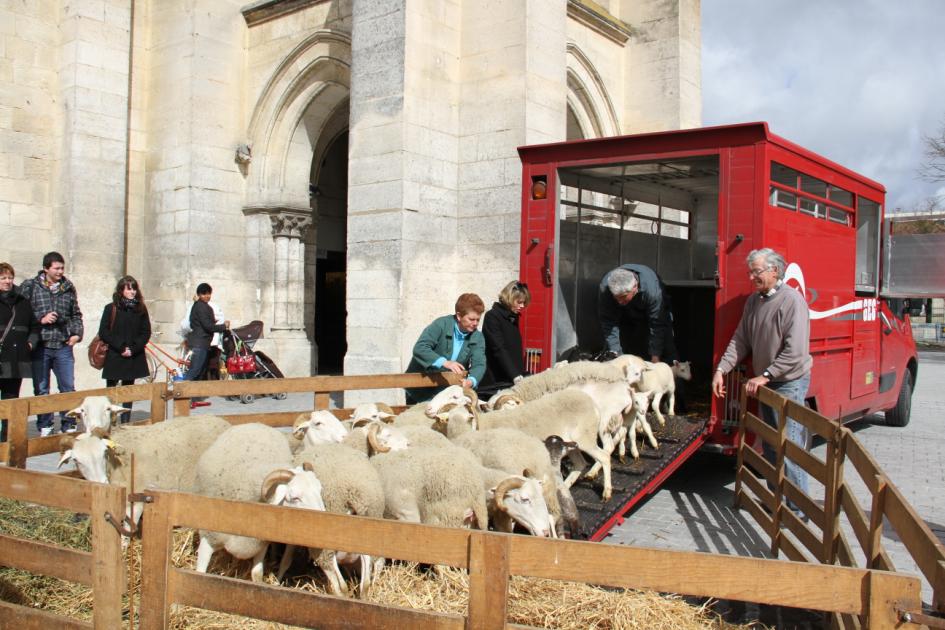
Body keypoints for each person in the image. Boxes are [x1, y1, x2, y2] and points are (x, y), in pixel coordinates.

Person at [711, 248, 813, 515]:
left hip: (788, 382)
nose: (752, 277)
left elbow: (796, 352)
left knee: (787, 446)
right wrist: (721, 369)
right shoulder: (754, 302)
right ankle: (777, 502)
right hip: (768, 382)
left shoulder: (792, 301)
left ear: (774, 271)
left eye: (756, 271)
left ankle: (797, 511)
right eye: (750, 272)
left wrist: (765, 375)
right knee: (769, 444)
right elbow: (740, 339)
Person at [20, 252, 84, 436]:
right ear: (46, 268)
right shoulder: (31, 287)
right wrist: (41, 319)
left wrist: (77, 334)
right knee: (41, 388)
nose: (60, 271)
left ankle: (69, 422)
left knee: (67, 387)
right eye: (56, 268)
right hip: (41, 344)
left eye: (62, 268)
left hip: (63, 344)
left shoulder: (68, 287)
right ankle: (45, 424)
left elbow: (76, 314)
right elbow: (22, 314)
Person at [405, 293, 487, 404]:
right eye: (471, 319)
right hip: (419, 389)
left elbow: (479, 364)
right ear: (459, 316)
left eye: (478, 320)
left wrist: (471, 381)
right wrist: (445, 363)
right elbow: (420, 348)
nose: (475, 323)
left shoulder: (477, 337)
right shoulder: (441, 325)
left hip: (445, 394)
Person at [598, 264, 677, 363]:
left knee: (667, 350)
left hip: (655, 313)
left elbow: (657, 324)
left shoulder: (652, 290)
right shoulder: (606, 286)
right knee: (616, 353)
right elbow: (608, 322)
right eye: (616, 297)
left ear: (635, 287)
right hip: (623, 316)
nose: (619, 302)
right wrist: (616, 355)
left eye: (623, 297)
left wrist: (655, 357)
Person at [99, 276, 152, 423]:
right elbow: (104, 332)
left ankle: (126, 422)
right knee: (112, 390)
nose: (132, 292)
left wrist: (133, 349)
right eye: (129, 288)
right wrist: (121, 347)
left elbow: (146, 331)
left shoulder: (140, 309)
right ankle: (109, 421)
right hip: (115, 355)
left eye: (134, 288)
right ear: (121, 289)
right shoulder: (111, 308)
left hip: (133, 356)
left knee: (129, 391)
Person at [0, 263, 40, 442]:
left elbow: (34, 326)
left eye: (9, 277)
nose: (7, 281)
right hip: (1, 356)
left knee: (11, 398)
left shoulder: (22, 301)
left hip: (16, 358)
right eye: (3, 278)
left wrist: (30, 343)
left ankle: (6, 438)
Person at [478, 281, 530, 399]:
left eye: (524, 303)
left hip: (511, 379)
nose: (522, 306)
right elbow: (498, 348)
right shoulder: (493, 317)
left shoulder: (512, 318)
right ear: (509, 299)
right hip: (496, 381)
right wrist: (515, 375)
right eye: (519, 302)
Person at [181, 283, 229, 408]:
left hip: (200, 342)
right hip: (200, 343)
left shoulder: (197, 306)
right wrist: (224, 326)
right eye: (205, 294)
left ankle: (190, 398)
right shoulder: (202, 307)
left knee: (199, 371)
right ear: (200, 294)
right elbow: (208, 326)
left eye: (209, 293)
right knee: (195, 371)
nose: (207, 296)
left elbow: (196, 323)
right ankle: (181, 394)